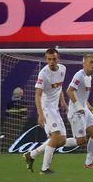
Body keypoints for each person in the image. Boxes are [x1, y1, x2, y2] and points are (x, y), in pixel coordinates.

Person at [23, 46, 67, 174]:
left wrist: (63, 101)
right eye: (49, 59)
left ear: (58, 59)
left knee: (62, 140)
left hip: (55, 108)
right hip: (46, 108)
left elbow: (59, 87)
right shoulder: (43, 74)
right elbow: (38, 95)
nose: (52, 62)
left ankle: (31, 155)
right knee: (56, 136)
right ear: (46, 59)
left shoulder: (63, 69)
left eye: (54, 59)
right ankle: (44, 169)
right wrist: (40, 114)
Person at [65, 53, 93, 168]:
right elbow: (69, 91)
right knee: (80, 141)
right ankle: (53, 142)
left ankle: (88, 162)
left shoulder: (89, 76)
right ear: (84, 63)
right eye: (91, 62)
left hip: (84, 109)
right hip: (76, 111)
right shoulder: (79, 75)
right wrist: (79, 106)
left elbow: (81, 95)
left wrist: (87, 105)